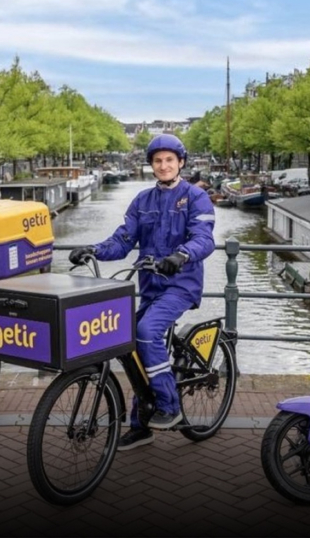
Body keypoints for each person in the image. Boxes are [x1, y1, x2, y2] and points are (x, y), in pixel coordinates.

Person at [68, 134, 216, 450]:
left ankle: (170, 406)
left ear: (181, 163)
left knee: (146, 332)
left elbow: (204, 238)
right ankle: (141, 424)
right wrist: (93, 250)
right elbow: (123, 241)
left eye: (169, 160)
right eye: (158, 161)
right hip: (150, 286)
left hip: (181, 285)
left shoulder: (195, 197)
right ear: (151, 165)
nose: (163, 165)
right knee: (126, 340)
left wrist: (181, 255)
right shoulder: (142, 201)